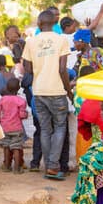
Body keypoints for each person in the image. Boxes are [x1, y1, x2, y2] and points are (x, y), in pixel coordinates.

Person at [23, 10, 73, 180]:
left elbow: (28, 69)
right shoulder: (61, 40)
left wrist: (40, 68)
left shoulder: (30, 42)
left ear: (39, 23)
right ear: (55, 23)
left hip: (38, 91)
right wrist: (69, 90)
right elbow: (62, 69)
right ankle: (53, 166)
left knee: (45, 129)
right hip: (57, 90)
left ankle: (47, 166)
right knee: (60, 127)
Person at [0, 78, 28, 173]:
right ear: (18, 88)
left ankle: (6, 166)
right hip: (16, 128)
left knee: (6, 146)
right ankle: (17, 168)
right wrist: (25, 114)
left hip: (5, 127)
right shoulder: (21, 101)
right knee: (16, 147)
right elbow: (22, 115)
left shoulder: (2, 100)